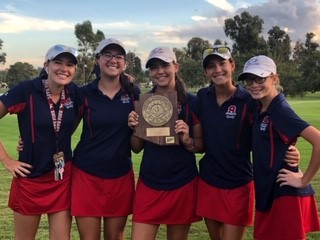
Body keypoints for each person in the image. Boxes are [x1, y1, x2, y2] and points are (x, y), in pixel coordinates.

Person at [196, 45, 301, 240]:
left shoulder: (250, 100)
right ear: (205, 71)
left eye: (222, 63)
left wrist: (291, 149)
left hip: (238, 185)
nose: (217, 70)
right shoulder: (202, 97)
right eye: (211, 66)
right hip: (208, 181)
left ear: (232, 65)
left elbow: (273, 125)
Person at [0, 44, 78, 240]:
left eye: (70, 64)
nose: (64, 68)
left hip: (61, 178)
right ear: (46, 65)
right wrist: (6, 160)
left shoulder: (75, 93)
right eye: (58, 62)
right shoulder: (26, 90)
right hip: (30, 178)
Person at [238, 55, 320, 240]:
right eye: (249, 80)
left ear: (275, 78)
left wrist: (303, 180)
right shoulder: (261, 107)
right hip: (269, 188)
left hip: (284, 191)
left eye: (260, 78)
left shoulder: (280, 110)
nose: (253, 84)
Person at [128, 47, 204, 240]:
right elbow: (136, 148)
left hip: (183, 182)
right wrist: (136, 127)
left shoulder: (192, 102)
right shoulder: (144, 101)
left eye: (165, 65)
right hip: (150, 181)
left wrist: (187, 139)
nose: (159, 71)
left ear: (176, 67)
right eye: (154, 67)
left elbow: (200, 145)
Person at [71, 38, 139, 240]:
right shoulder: (84, 93)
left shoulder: (133, 93)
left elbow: (137, 144)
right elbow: (65, 130)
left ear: (124, 63)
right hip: (86, 174)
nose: (113, 59)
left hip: (120, 174)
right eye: (107, 55)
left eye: (118, 56)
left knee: (115, 237)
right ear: (97, 60)